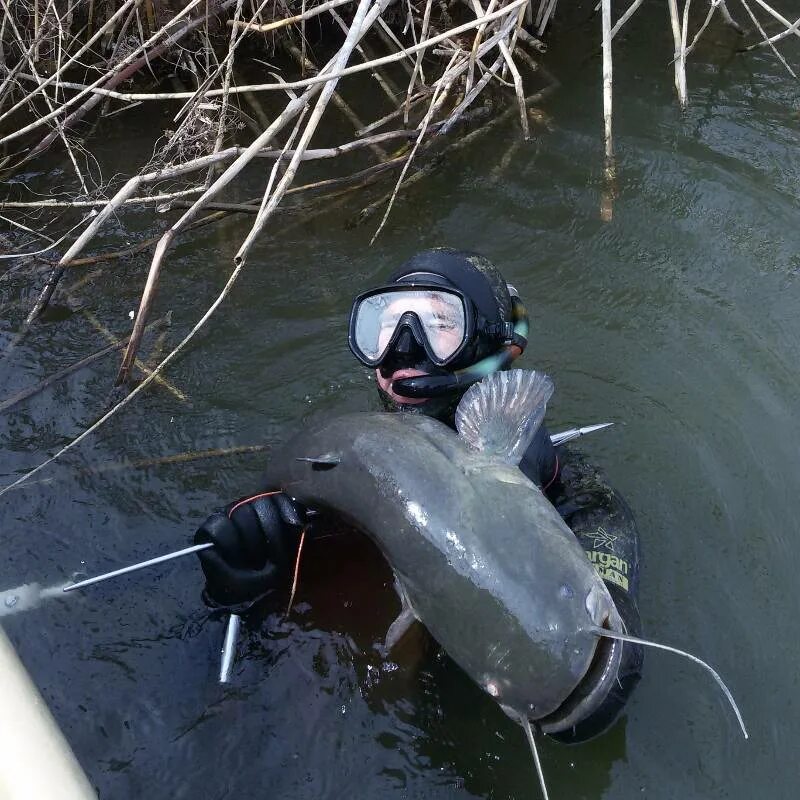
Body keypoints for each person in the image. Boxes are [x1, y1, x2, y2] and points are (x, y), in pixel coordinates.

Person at [194, 248, 643, 742]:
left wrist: (613, 598)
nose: (403, 347)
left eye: (438, 320)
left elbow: (600, 511)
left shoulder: (549, 472)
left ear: (488, 343)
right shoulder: (321, 482)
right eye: (385, 325)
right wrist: (239, 583)